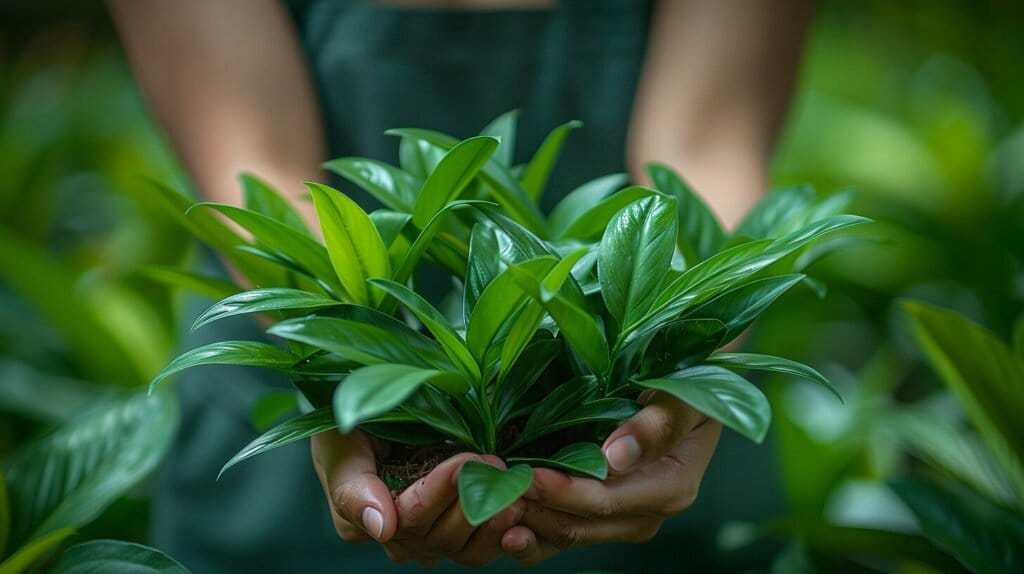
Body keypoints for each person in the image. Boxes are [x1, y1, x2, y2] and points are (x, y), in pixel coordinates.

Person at [108, 0, 812, 571]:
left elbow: (702, 158)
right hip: (297, 454)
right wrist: (360, 374)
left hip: (627, 438)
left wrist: (679, 368)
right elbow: (257, 169)